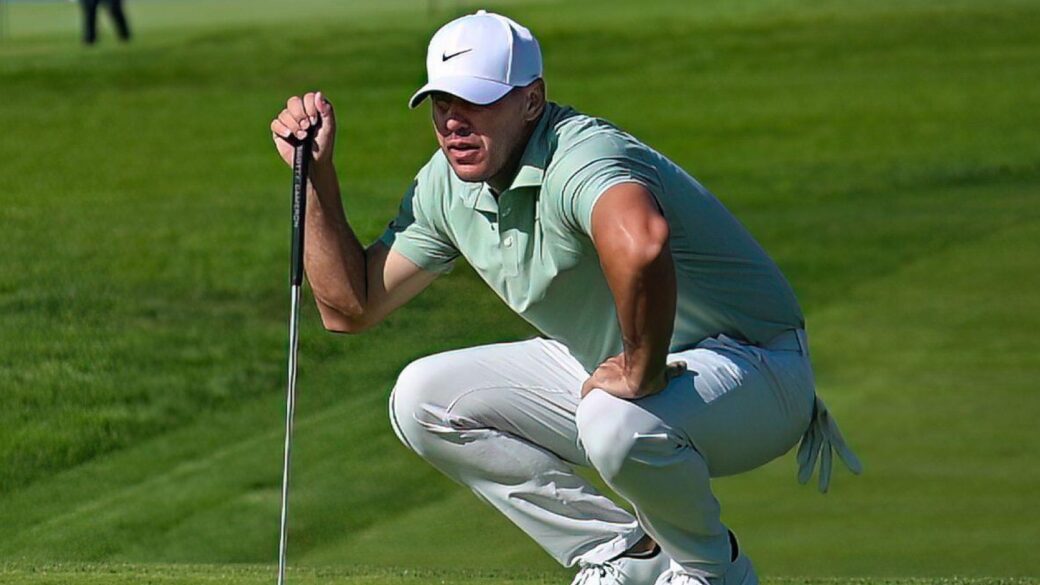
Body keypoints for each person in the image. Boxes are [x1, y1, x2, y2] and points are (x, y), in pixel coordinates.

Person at [269, 10, 861, 585]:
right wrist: (318, 176)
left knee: (614, 417)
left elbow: (644, 245)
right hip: (616, 371)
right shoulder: (445, 186)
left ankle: (713, 571)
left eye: (475, 101)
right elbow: (350, 307)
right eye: (442, 104)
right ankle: (626, 553)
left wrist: (640, 367)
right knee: (422, 398)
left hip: (757, 371)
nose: (453, 122)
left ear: (532, 100)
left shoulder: (582, 154)